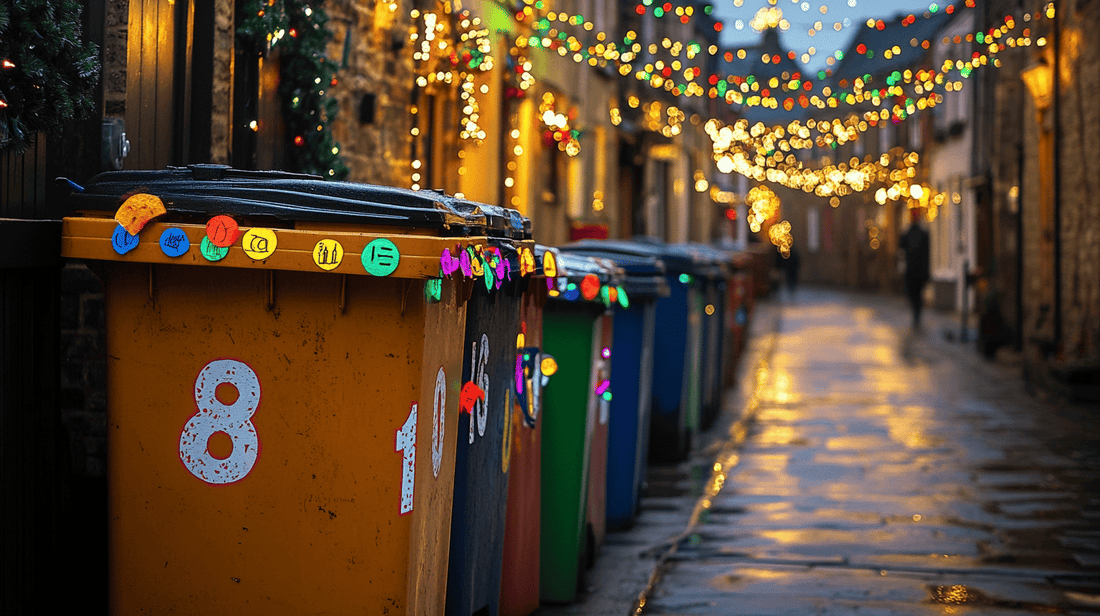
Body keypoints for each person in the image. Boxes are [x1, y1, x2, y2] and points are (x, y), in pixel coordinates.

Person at [899, 209, 930, 329]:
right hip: (919, 270)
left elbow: (901, 247)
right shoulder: (922, 234)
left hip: (912, 270)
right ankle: (917, 314)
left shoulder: (908, 234)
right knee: (917, 294)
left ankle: (916, 314)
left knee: (913, 293)